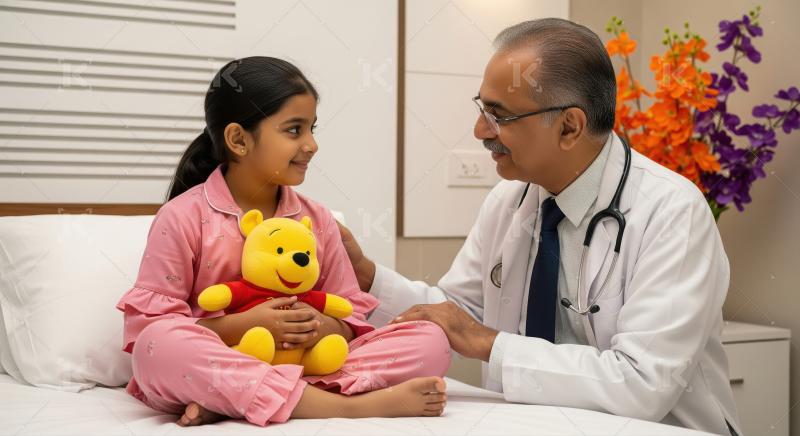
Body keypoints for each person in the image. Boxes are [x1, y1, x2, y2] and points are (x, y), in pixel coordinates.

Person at [339, 18, 741, 435]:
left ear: (569, 126)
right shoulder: (509, 200)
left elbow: (641, 384)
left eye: (499, 115)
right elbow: (457, 314)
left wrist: (487, 342)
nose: (480, 131)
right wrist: (366, 276)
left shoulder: (672, 212)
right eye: (482, 108)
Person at [115, 57, 450, 427]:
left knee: (430, 340)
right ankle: (344, 406)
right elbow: (151, 330)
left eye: (312, 129)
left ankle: (232, 400)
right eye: (294, 130)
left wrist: (318, 324)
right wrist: (244, 324)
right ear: (238, 140)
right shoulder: (182, 217)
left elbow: (351, 318)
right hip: (217, 360)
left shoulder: (318, 220)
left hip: (300, 361)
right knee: (158, 346)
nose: (312, 145)